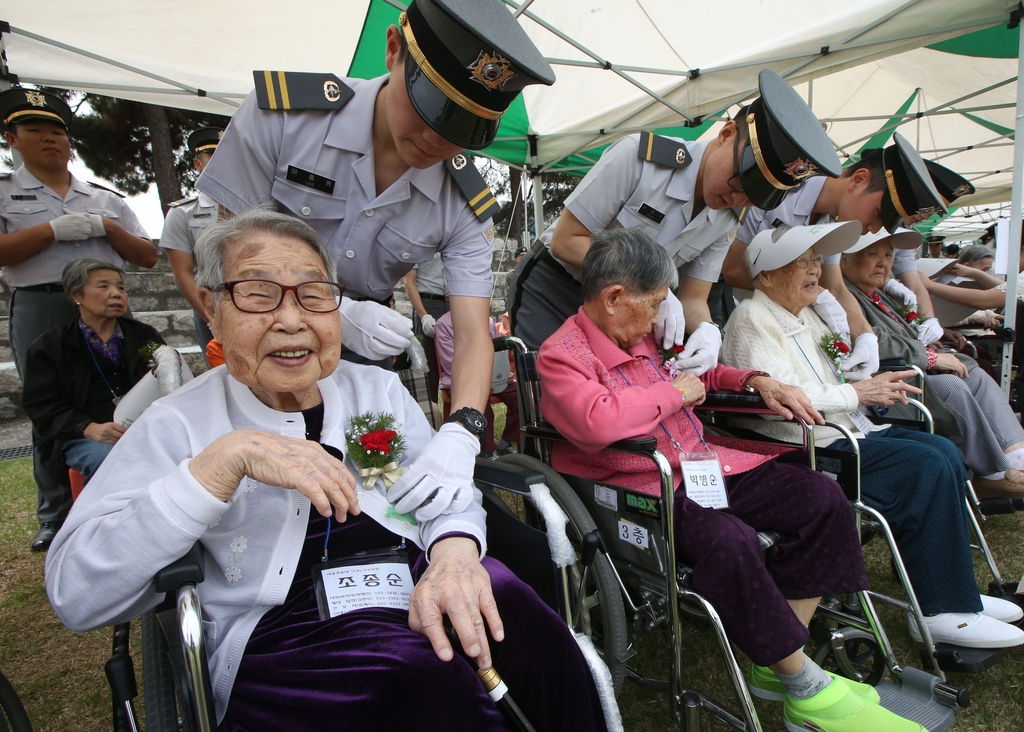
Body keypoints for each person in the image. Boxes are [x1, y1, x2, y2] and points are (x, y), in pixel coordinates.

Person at [45, 210, 610, 731]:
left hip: (412, 575)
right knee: (413, 681)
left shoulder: (371, 393)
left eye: (314, 296)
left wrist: (455, 553)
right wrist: (220, 464)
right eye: (259, 295)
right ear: (212, 308)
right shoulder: (179, 424)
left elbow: (441, 493)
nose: (292, 320)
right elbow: (76, 592)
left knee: (522, 618)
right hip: (285, 628)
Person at [536, 227, 932, 732]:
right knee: (732, 540)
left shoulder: (643, 336)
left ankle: (780, 664)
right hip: (641, 487)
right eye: (655, 304)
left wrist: (752, 380)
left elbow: (703, 373)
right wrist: (674, 394)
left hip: (705, 467)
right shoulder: (563, 354)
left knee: (820, 495)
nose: (660, 317)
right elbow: (596, 422)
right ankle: (806, 686)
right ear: (615, 298)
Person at [195, 0, 555, 523]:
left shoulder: (463, 200)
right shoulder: (287, 118)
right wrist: (330, 312)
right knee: (255, 501)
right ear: (392, 50)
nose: (438, 138)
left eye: (466, 126)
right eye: (430, 106)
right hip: (261, 325)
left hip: (365, 354)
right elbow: (232, 257)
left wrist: (463, 430)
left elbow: (474, 332)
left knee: (375, 495)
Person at [720, 223, 1024, 649]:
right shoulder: (752, 319)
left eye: (813, 261)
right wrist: (857, 391)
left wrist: (873, 381)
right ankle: (939, 609)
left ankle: (956, 593)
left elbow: (840, 374)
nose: (813, 271)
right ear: (766, 275)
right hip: (803, 447)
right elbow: (787, 396)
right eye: (800, 262)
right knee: (928, 463)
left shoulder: (804, 313)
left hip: (844, 431)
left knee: (942, 450)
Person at [508, 68, 843, 360]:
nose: (738, 198)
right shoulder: (639, 160)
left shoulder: (729, 217)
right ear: (726, 134)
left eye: (755, 198)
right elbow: (567, 242)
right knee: (546, 402)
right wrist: (650, 283)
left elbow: (694, 297)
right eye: (741, 180)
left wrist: (709, 331)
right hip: (556, 286)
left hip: (628, 310)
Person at [0, 87, 158, 551]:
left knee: (133, 386)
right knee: (48, 406)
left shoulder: (103, 198)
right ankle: (55, 514)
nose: (50, 139)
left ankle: (132, 493)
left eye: (57, 131)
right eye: (35, 130)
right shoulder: (7, 192)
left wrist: (107, 227)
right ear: (12, 137)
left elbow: (147, 254)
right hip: (42, 299)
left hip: (106, 304)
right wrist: (48, 231)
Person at [723, 133, 951, 381]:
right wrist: (810, 291)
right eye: (877, 213)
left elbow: (836, 287)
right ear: (858, 180)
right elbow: (732, 269)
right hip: (739, 320)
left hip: (786, 322)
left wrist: (866, 336)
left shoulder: (833, 219)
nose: (874, 229)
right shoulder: (780, 191)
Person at [838, 230, 1024, 497]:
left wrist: (941, 343)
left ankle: (1015, 454)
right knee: (950, 385)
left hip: (909, 370)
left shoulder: (879, 294)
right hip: (885, 380)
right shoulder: (845, 296)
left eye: (889, 255)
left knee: (977, 375)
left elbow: (907, 333)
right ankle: (993, 472)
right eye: (873, 254)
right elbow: (873, 340)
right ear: (843, 261)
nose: (884, 263)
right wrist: (931, 357)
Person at [21, 257, 164, 491]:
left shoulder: (144, 336)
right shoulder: (50, 347)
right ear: (76, 295)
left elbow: (166, 374)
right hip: (86, 436)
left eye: (121, 287)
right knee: (109, 458)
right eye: (103, 286)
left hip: (142, 428)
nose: (116, 294)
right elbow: (44, 406)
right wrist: (89, 428)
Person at [160, 127, 224, 357]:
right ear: (198, 164)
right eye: (212, 156)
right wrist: (212, 318)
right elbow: (183, 272)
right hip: (210, 301)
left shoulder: (258, 204)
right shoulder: (183, 213)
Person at [434, 310, 519, 457]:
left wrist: (505, 371)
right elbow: (451, 363)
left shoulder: (487, 320)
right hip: (462, 379)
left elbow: (498, 351)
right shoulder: (444, 324)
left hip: (491, 375)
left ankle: (506, 442)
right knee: (479, 401)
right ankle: (489, 452)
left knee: (522, 395)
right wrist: (482, 382)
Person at [402, 252, 448, 405]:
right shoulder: (418, 244)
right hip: (428, 303)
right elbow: (409, 283)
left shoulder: (452, 242)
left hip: (451, 302)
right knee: (427, 367)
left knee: (456, 362)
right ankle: (429, 415)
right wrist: (424, 316)